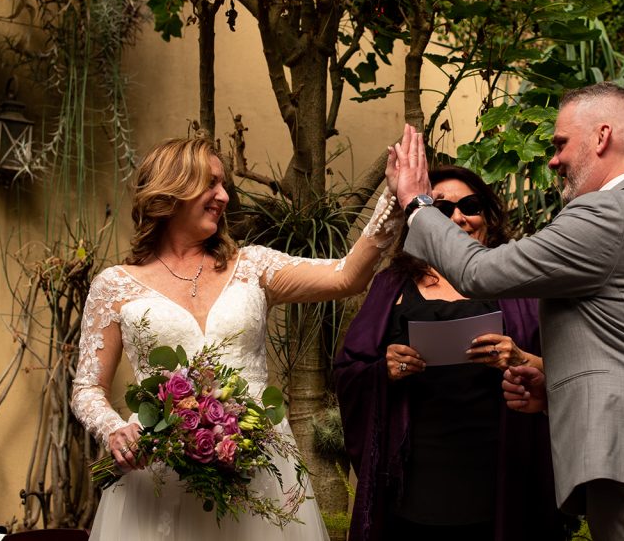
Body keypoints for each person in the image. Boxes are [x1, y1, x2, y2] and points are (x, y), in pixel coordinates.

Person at [392, 83, 624, 540]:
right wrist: (554, 388)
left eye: (559, 144)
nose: (553, 160)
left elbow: (479, 271)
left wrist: (419, 205)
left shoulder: (609, 211)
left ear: (601, 137)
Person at [71, 137, 403, 540]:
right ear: (174, 185)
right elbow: (87, 387)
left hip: (257, 470)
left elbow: (348, 275)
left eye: (224, 185)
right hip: (157, 476)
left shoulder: (253, 266)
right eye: (211, 183)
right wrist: (113, 430)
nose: (224, 196)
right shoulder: (115, 285)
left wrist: (395, 198)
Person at [334, 165, 569, 541]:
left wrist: (518, 357)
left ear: (488, 216)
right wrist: (385, 369)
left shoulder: (519, 283)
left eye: (470, 206)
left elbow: (566, 371)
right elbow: (349, 371)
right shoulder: (390, 285)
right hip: (415, 470)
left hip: (501, 465)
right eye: (441, 209)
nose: (458, 218)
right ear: (420, 221)